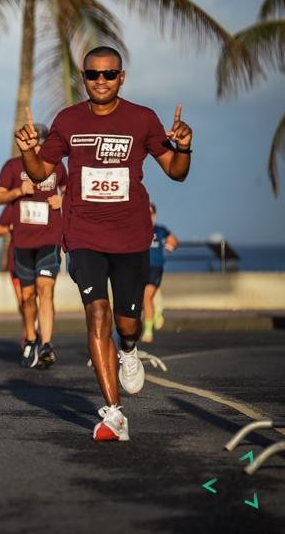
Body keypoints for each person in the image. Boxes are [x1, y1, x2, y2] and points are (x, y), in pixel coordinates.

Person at [15, 45, 192, 442]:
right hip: (83, 234)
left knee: (128, 323)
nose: (100, 81)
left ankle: (128, 350)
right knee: (97, 314)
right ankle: (114, 414)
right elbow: (43, 170)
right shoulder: (68, 119)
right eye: (93, 74)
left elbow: (176, 172)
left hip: (131, 237)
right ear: (84, 78)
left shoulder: (142, 118)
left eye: (109, 74)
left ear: (121, 77)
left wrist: (184, 146)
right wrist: (28, 150)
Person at [0, 127, 67, 368]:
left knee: (45, 291)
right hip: (23, 243)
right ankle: (30, 339)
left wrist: (62, 200)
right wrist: (18, 191)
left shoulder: (57, 167)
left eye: (41, 146)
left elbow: (71, 192)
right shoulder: (13, 167)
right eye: (34, 145)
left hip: (49, 239)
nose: (37, 149)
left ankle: (47, 345)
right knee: (27, 297)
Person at [143, 203, 177, 343]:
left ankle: (148, 332)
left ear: (154, 215)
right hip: (140, 267)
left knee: (147, 297)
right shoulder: (137, 230)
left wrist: (172, 245)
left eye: (150, 213)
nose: (148, 216)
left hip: (155, 268)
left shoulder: (160, 230)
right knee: (143, 300)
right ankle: (157, 312)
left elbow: (173, 240)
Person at [0, 205, 24, 333]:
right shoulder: (12, 206)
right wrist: (12, 228)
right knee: (23, 302)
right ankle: (28, 333)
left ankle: (36, 333)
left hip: (38, 258)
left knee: (39, 297)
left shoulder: (46, 199)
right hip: (16, 262)